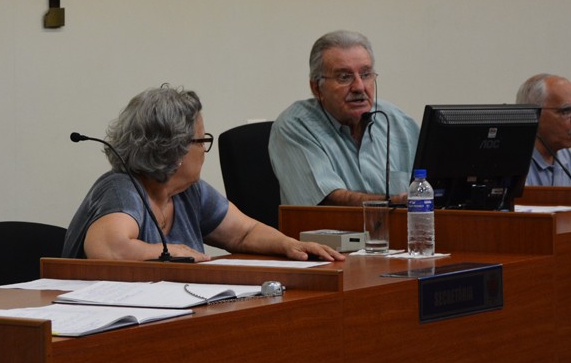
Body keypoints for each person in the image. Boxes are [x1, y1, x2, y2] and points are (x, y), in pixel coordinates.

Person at [63, 85, 344, 263]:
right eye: (201, 141)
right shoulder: (122, 188)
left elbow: (244, 233)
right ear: (173, 149)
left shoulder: (190, 192)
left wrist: (290, 245)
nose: (204, 150)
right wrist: (173, 251)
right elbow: (109, 250)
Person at [269, 30, 420, 206]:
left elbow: (433, 185)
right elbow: (327, 202)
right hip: (332, 225)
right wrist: (395, 203)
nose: (359, 87)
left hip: (403, 224)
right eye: (344, 77)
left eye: (366, 75)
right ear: (317, 88)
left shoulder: (399, 121)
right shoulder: (296, 125)